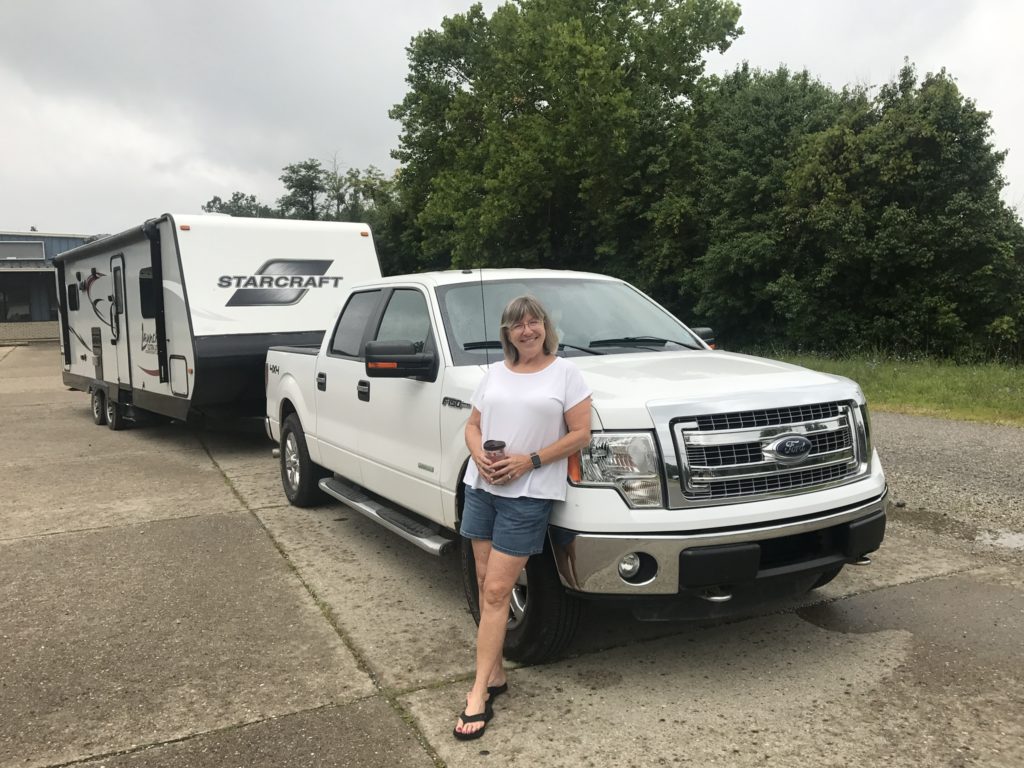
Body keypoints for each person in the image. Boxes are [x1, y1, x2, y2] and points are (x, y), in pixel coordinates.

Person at [453, 295, 592, 740]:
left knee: (496, 592)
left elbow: (580, 435)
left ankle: (477, 695)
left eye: (533, 322)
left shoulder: (566, 373)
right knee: (482, 580)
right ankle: (494, 676)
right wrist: (480, 455)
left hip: (528, 495)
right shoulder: (493, 373)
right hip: (482, 487)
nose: (526, 330)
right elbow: (473, 426)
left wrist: (527, 461)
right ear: (507, 333)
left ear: (545, 327)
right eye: (517, 325)